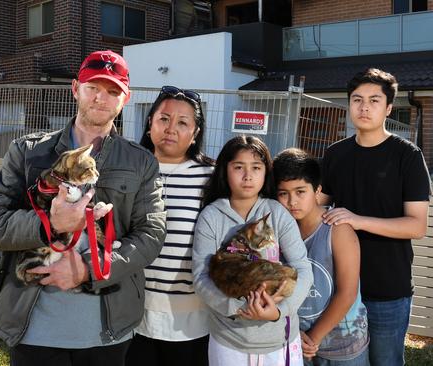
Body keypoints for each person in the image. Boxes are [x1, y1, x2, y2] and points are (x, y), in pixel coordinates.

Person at [0, 50, 167, 366]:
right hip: (33, 328)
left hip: (108, 330)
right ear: (75, 88)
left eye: (112, 91)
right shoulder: (27, 152)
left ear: (126, 98)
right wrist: (48, 224)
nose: (100, 98)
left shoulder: (141, 161)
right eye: (93, 87)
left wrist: (89, 269)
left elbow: (151, 235)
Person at [319, 68, 431, 366]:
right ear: (349, 105)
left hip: (387, 289)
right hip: (340, 287)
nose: (364, 107)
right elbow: (315, 208)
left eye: (373, 100)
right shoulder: (334, 154)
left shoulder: (407, 155)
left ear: (388, 108)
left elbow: (417, 225)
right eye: (357, 100)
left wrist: (357, 220)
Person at [192, 135, 313, 366]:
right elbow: (200, 277)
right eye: (238, 167)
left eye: (256, 168)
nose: (248, 176)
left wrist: (280, 311)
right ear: (224, 170)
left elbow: (302, 267)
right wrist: (240, 308)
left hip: (280, 338)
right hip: (229, 339)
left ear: (266, 172)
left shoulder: (276, 212)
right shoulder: (212, 216)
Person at [125, 86, 214, 366]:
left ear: (196, 132)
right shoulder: (127, 170)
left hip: (190, 320)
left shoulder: (211, 178)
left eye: (183, 122)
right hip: (130, 311)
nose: (171, 128)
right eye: (163, 118)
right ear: (149, 121)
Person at [274, 148, 369, 366]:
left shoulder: (336, 229)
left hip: (343, 345)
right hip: (297, 340)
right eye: (283, 193)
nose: (292, 201)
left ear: (317, 191)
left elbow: (347, 293)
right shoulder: (280, 233)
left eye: (300, 192)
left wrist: (314, 338)